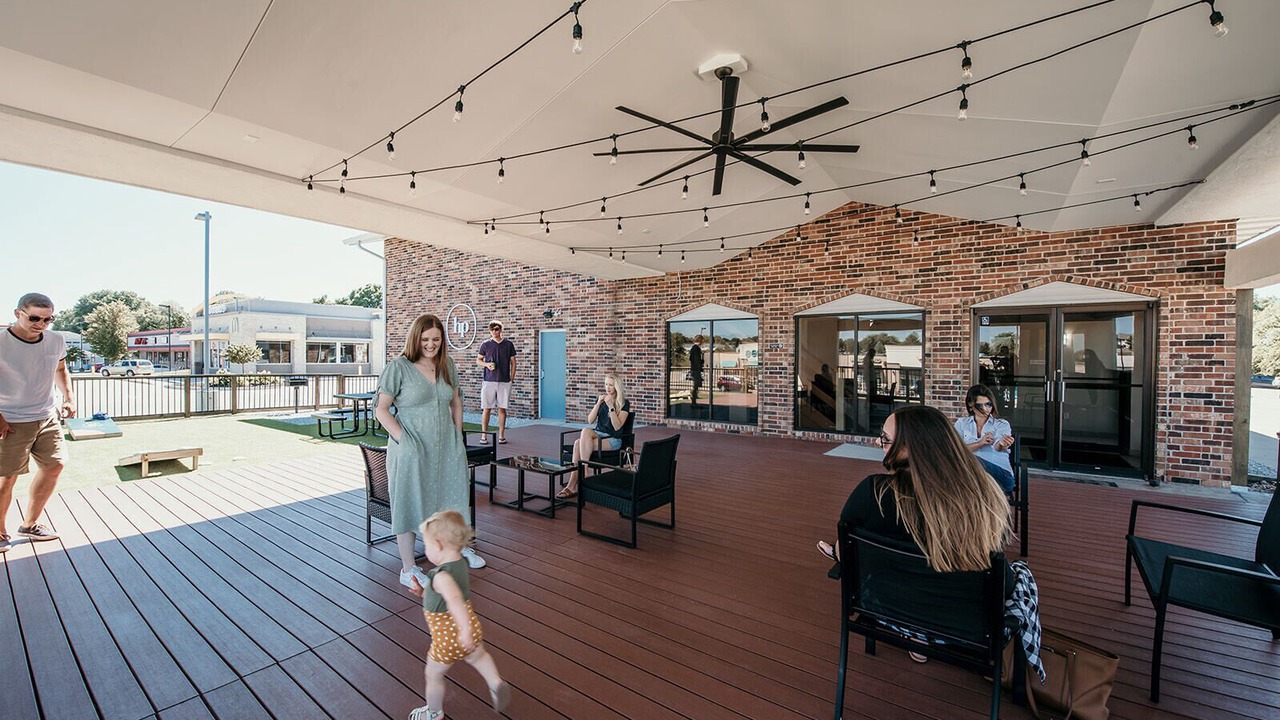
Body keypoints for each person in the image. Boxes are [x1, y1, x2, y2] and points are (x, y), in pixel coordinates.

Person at [816, 405, 1042, 674]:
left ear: (912, 449)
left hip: (891, 610)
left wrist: (838, 551)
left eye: (885, 440)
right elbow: (1001, 583)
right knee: (1021, 573)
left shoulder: (872, 493)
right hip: (970, 625)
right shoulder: (984, 497)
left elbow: (847, 555)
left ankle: (918, 635)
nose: (880, 444)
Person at [375, 313, 485, 584]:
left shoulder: (447, 364)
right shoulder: (398, 367)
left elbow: (456, 402)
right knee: (410, 500)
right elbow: (381, 410)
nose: (431, 344)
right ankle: (408, 568)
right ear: (416, 338)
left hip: (446, 446)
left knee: (453, 497)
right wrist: (404, 439)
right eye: (425, 339)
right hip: (411, 447)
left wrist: (458, 436)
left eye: (436, 339)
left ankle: (456, 549)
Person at [405, 510, 510, 720]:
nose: (426, 550)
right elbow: (444, 596)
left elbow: (453, 599)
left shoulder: (441, 575)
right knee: (479, 656)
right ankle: (495, 683)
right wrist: (424, 592)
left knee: (433, 675)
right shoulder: (460, 563)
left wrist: (463, 629)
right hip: (470, 624)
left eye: (427, 545)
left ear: (439, 545)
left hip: (449, 636)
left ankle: (433, 712)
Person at [1, 293, 75, 552]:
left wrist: (68, 397)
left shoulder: (55, 340)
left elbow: (60, 369)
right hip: (9, 420)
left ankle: (29, 524)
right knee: (6, 478)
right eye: (34, 318)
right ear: (18, 313)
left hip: (46, 416)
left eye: (47, 319)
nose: (41, 324)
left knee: (55, 465)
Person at [556, 373, 631, 499]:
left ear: (617, 387)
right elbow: (590, 420)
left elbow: (617, 427)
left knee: (577, 444)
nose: (608, 387)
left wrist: (611, 407)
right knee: (585, 430)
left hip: (612, 439)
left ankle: (571, 486)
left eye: (611, 385)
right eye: (606, 384)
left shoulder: (624, 403)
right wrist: (598, 404)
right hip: (598, 434)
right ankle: (584, 470)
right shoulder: (601, 400)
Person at [954, 384, 1016, 493]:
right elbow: (955, 449)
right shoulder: (962, 423)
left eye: (988, 404)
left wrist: (1002, 444)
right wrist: (980, 443)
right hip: (971, 478)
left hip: (1000, 477)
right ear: (970, 405)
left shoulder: (1001, 424)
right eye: (980, 406)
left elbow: (998, 447)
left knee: (969, 460)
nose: (985, 409)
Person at [475, 320, 517, 444]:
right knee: (486, 409)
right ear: (490, 331)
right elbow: (478, 360)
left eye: (497, 329)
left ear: (501, 330)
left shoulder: (508, 344)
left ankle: (501, 436)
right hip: (488, 381)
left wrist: (512, 378)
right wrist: (487, 365)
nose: (495, 331)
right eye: (492, 329)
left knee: (502, 409)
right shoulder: (485, 344)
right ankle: (484, 437)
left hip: (504, 381)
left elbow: (513, 362)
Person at [688, 335, 705, 407]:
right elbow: (696, 360)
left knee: (696, 386)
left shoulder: (693, 348)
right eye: (702, 340)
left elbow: (691, 358)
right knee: (695, 386)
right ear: (700, 340)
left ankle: (694, 402)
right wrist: (701, 362)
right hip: (696, 370)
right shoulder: (696, 348)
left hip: (694, 369)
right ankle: (693, 403)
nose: (703, 342)